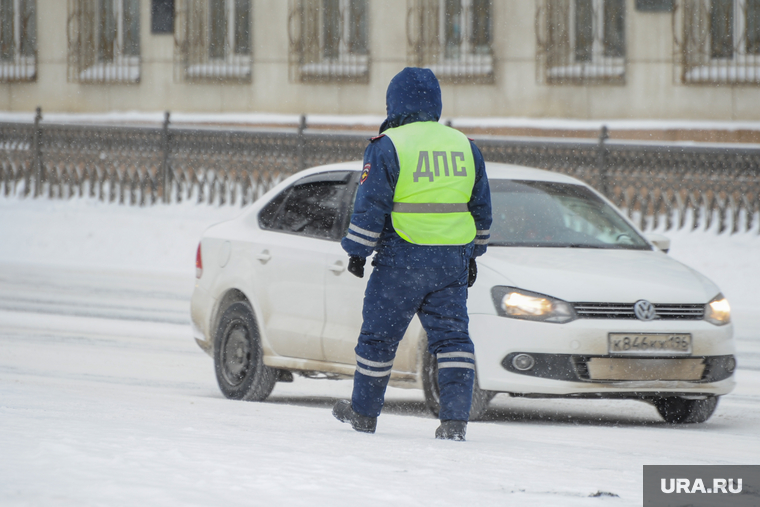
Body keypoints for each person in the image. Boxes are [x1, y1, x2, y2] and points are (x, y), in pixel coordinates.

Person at [332, 67, 492, 441]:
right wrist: (474, 254)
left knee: (378, 339)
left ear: (394, 102)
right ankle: (454, 421)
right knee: (452, 342)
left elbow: (370, 205)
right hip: (450, 262)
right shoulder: (465, 146)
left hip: (401, 260)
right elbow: (481, 209)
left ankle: (364, 413)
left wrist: (357, 250)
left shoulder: (388, 144)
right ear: (435, 104)